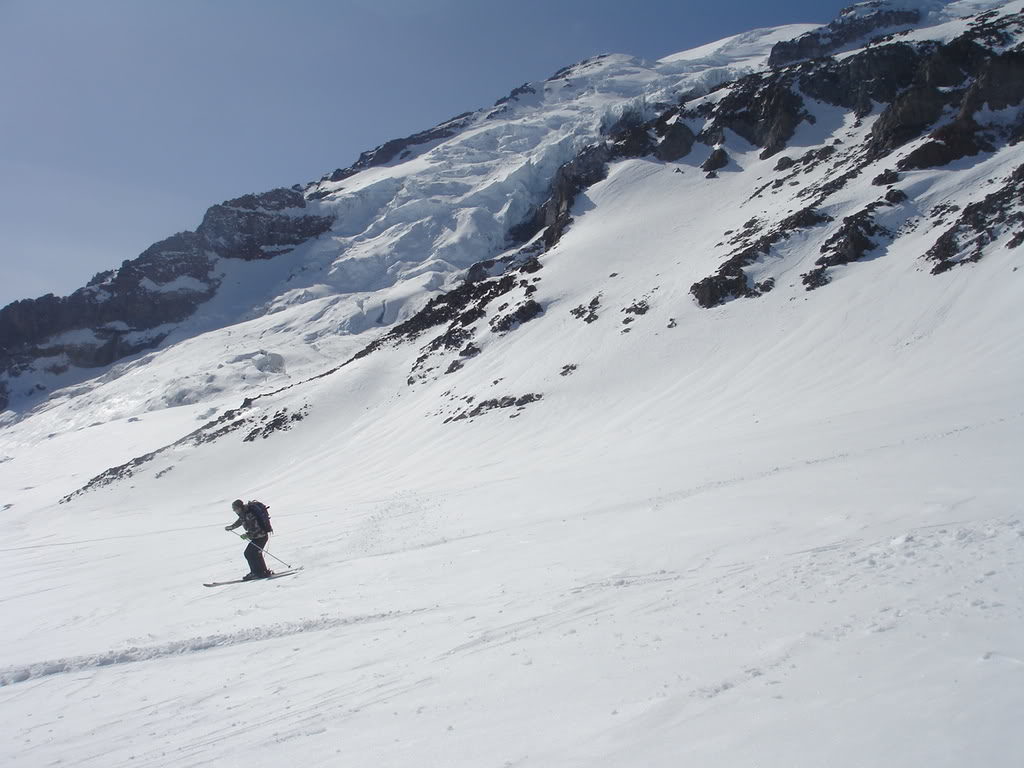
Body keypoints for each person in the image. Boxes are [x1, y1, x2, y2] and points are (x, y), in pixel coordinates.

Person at [225, 499, 274, 580]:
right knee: (255, 553)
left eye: (235, 509)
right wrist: (232, 527)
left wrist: (247, 535)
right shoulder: (244, 513)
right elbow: (240, 521)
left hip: (260, 537)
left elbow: (256, 529)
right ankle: (262, 572)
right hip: (258, 537)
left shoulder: (249, 514)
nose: (235, 511)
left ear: (240, 507)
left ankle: (256, 573)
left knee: (249, 553)